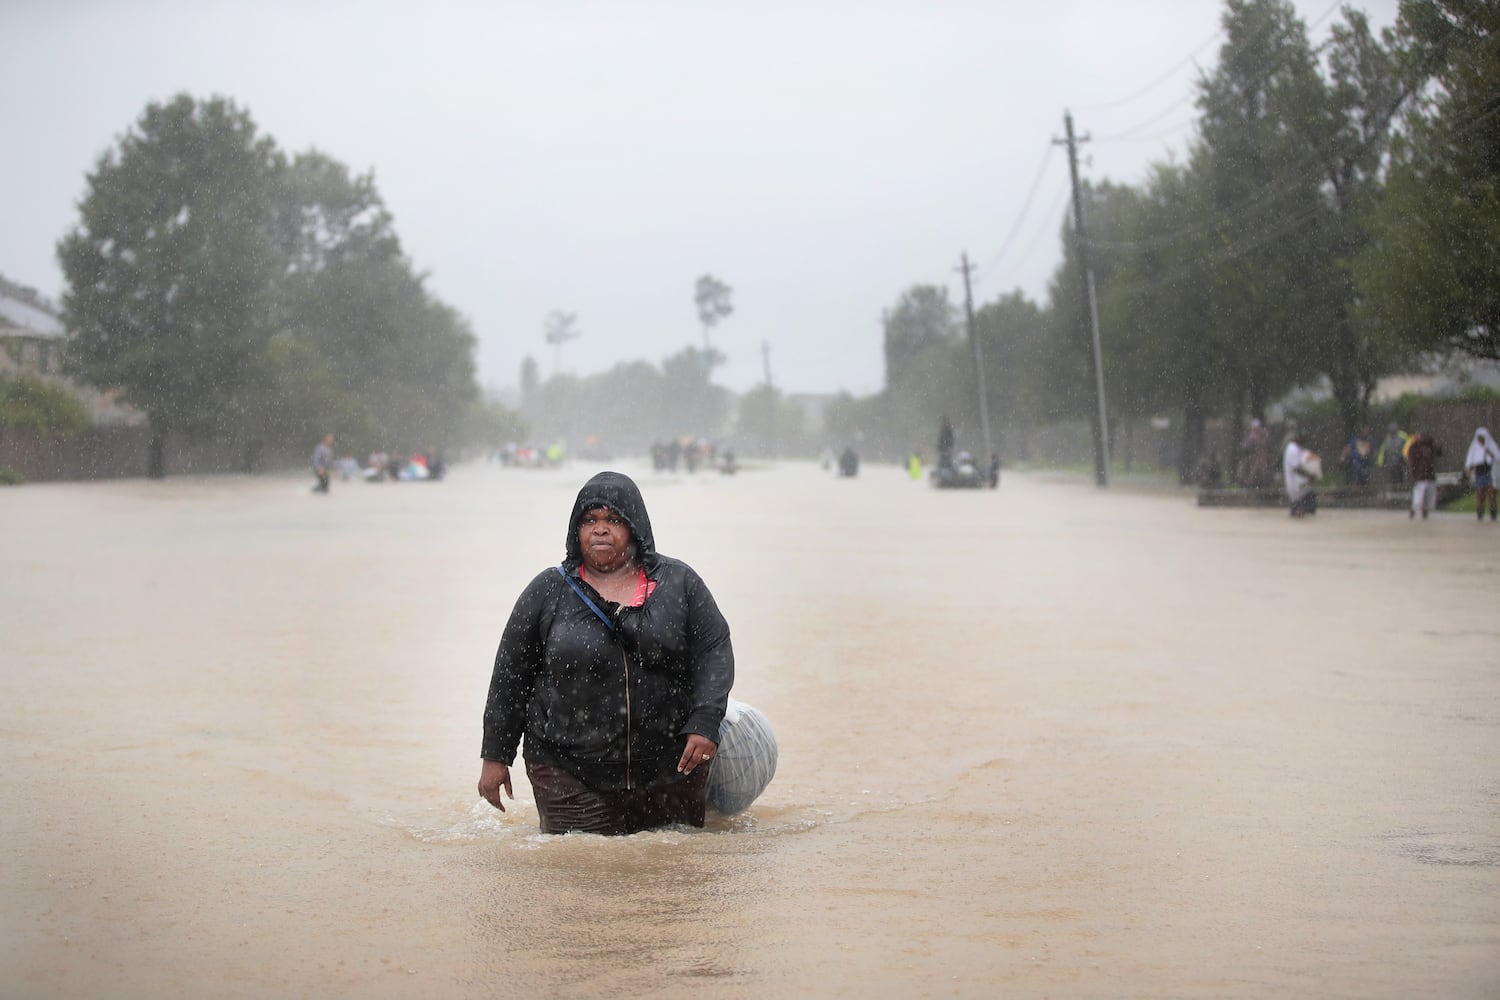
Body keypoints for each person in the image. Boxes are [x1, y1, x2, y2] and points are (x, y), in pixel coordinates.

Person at [478, 471, 734, 835]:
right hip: (567, 771)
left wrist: (706, 722)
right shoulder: (548, 591)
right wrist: (496, 756)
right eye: (590, 520)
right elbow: (510, 677)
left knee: (672, 876)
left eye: (613, 520)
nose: (600, 530)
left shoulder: (679, 584)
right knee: (580, 875)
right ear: (575, 530)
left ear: (635, 528)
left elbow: (714, 651)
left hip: (670, 767)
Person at [1406, 428, 1442, 520]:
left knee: (1429, 497)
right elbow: (1411, 462)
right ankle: (1414, 510)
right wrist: (1413, 475)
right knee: (1418, 498)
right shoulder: (1414, 446)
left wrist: (1438, 446)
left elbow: (1439, 453)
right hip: (1419, 476)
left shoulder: (1431, 445)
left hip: (1429, 475)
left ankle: (1424, 511)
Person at [1464, 426, 1498, 522]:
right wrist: (1470, 471)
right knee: (1480, 494)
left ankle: (1493, 512)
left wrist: (1489, 452)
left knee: (1492, 493)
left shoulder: (1491, 446)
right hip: (1479, 473)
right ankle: (1480, 511)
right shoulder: (1474, 447)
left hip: (1490, 473)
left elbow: (1496, 458)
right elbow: (1470, 462)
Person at [1282, 431, 1319, 517]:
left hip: (1295, 480)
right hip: (1295, 480)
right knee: (1306, 497)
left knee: (1302, 498)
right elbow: (1296, 468)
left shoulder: (1294, 448)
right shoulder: (1293, 449)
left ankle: (1298, 509)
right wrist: (1308, 475)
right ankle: (1299, 510)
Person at [1238, 419, 1273, 488]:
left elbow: (1245, 447)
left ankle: (1254, 486)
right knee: (1262, 474)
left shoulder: (1253, 436)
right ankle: (1262, 486)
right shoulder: (1265, 435)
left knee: (1254, 474)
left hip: (1255, 460)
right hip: (1263, 460)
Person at [1378, 423, 1408, 488]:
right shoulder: (1387, 438)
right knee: (1392, 478)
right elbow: (1383, 450)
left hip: (1401, 461)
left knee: (1401, 477)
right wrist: (1380, 461)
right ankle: (1393, 490)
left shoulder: (1402, 436)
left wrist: (1407, 459)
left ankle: (1401, 489)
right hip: (1390, 462)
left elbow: (1408, 447)